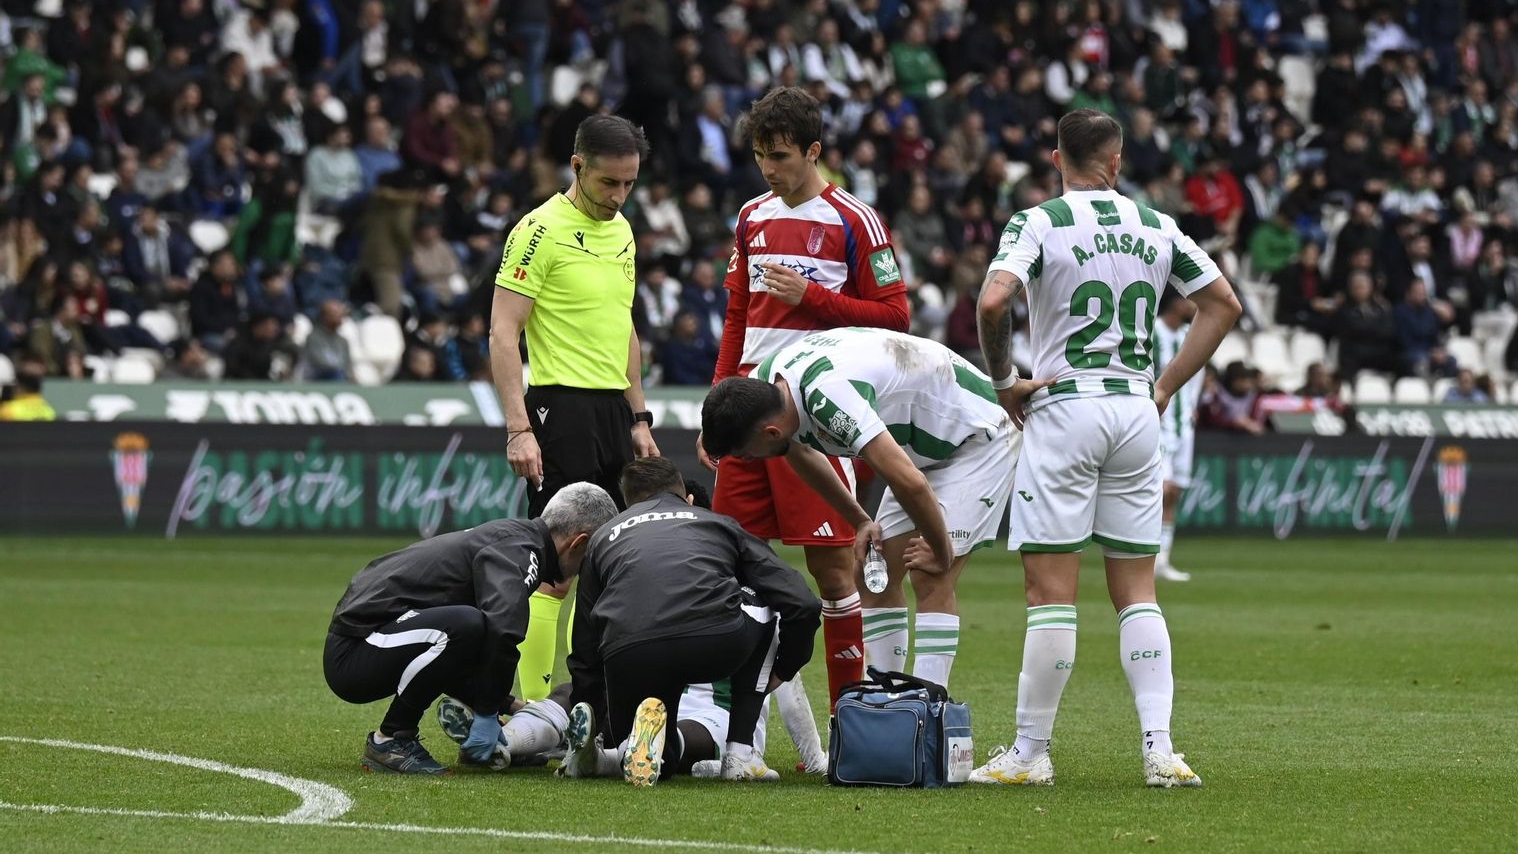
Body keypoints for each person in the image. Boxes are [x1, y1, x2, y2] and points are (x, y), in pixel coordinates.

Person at [971, 109, 1241, 787]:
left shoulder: (1040, 221)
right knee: (1138, 591)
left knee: (1051, 592)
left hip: (1065, 407)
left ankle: (1031, 754)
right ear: (1116, 163)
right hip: (1133, 408)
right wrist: (1167, 386)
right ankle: (1161, 751)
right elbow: (1224, 305)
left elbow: (993, 301)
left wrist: (1006, 381)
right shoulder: (1157, 225)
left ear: (1057, 158)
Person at [700, 86, 910, 718]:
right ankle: (732, 733)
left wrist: (811, 299)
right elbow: (738, 309)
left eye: (782, 156)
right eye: (761, 155)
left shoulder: (855, 220)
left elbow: (895, 317)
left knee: (834, 575)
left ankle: (849, 723)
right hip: (745, 418)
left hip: (810, 418)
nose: (769, 168)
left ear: (814, 151)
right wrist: (720, 396)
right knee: (728, 571)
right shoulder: (751, 216)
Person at [701, 326, 1019, 690]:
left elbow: (909, 483)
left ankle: (931, 714)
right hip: (927, 449)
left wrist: (943, 550)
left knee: (931, 573)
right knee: (874, 570)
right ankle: (888, 701)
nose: (749, 461)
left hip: (979, 435)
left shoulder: (829, 398)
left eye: (746, 454)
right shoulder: (764, 387)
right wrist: (860, 520)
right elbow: (800, 453)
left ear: (770, 432)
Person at [489, 114, 662, 708]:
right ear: (578, 166)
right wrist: (519, 427)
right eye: (608, 183)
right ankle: (535, 707)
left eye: (629, 186)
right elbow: (502, 333)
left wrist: (639, 418)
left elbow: (625, 328)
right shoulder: (537, 232)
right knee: (557, 569)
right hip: (558, 409)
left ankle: (589, 700)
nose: (618, 197)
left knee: (614, 563)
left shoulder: (623, 232)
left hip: (614, 411)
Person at [322, 482, 617, 775]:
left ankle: (506, 736)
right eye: (590, 558)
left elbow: (471, 641)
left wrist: (506, 705)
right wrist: (488, 711)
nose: (584, 570)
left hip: (376, 636)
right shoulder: (521, 551)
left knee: (474, 627)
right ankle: (392, 739)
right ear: (578, 543)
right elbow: (502, 630)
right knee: (470, 624)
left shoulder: (518, 539)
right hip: (354, 652)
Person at [561, 458, 821, 785]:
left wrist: (594, 714)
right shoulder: (716, 523)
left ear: (627, 503)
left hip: (628, 655)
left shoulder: (604, 537)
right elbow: (802, 602)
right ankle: (741, 756)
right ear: (687, 498)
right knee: (763, 598)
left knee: (660, 758)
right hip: (710, 643)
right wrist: (785, 668)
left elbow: (584, 643)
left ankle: (601, 754)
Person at [1151, 293, 1200, 582]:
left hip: (1185, 424)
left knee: (1175, 492)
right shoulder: (1152, 331)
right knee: (1162, 489)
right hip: (1159, 422)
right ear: (1177, 302)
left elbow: (1199, 375)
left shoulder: (1189, 335)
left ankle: (1163, 559)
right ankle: (1148, 555)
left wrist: (1194, 405)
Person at [0, 357, 56, 421]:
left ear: (22, 388)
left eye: (16, 386)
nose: (14, 389)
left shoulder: (8, 410)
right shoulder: (49, 410)